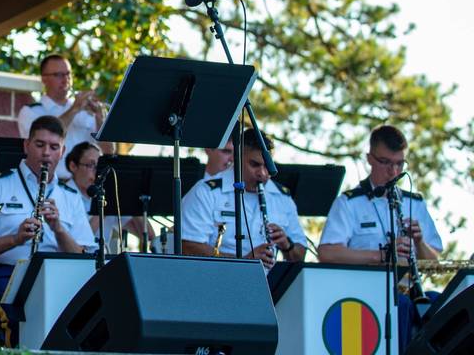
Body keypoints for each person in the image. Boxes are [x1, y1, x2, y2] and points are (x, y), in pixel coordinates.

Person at [0, 115, 94, 340]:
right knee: (22, 316)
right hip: (6, 276)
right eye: (40, 145)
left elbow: (83, 256)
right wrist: (15, 239)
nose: (46, 153)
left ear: (62, 152)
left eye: (54, 147)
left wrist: (59, 229)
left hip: (58, 278)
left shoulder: (71, 197)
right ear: (26, 145)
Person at [318, 124, 442, 352]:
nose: (393, 172)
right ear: (369, 159)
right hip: (365, 292)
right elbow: (327, 252)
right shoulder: (349, 203)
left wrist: (419, 242)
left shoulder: (415, 202)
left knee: (442, 303)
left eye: (399, 164)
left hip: (412, 290)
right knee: (401, 305)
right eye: (386, 163)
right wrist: (381, 255)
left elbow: (433, 263)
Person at [181, 129, 306, 268]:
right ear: (236, 157)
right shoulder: (206, 191)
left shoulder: (282, 197)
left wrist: (287, 245)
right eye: (254, 164)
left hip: (269, 285)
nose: (263, 173)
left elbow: (300, 255)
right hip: (216, 281)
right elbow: (188, 246)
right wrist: (244, 262)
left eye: (267, 165)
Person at [16, 54, 106, 180]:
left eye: (68, 74)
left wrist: (101, 119)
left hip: (86, 187)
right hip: (52, 184)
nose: (65, 79)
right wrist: (75, 109)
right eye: (58, 75)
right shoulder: (31, 111)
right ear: (44, 79)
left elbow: (109, 151)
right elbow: (50, 132)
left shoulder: (87, 112)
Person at [65, 141, 153, 252]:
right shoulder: (64, 195)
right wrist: (104, 207)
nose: (97, 171)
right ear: (73, 166)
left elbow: (148, 236)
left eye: (99, 166)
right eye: (91, 165)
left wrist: (130, 196)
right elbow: (80, 239)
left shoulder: (104, 192)